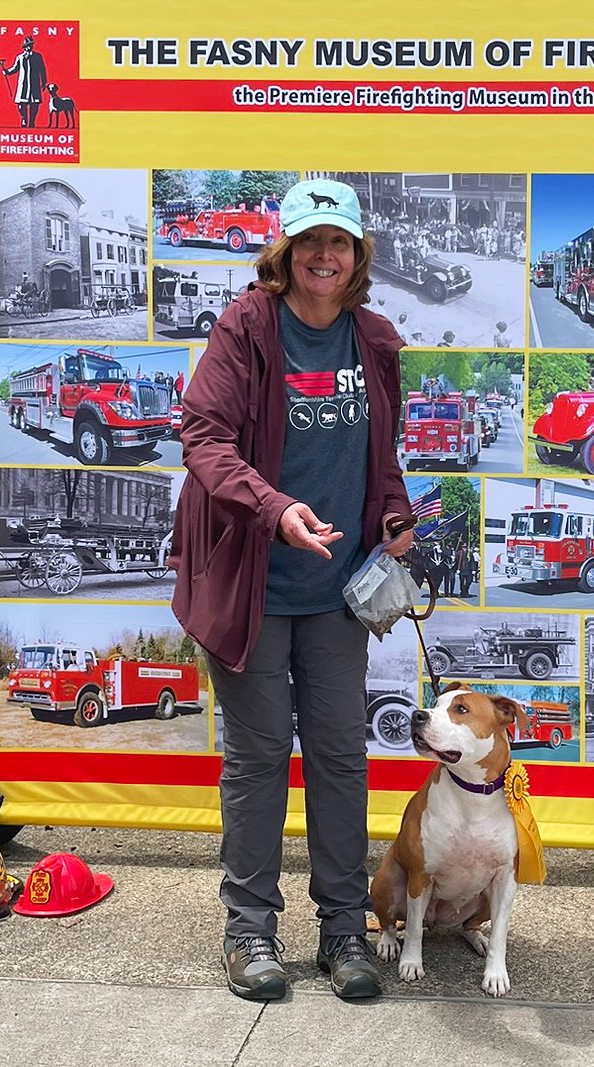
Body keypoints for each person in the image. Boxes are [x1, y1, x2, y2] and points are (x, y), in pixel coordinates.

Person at [170, 178, 414, 1003]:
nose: (322, 255)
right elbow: (202, 437)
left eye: (337, 242)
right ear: (283, 251)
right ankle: (250, 929)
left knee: (342, 755)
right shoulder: (246, 327)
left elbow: (384, 449)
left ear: (356, 256)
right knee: (260, 756)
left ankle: (344, 927)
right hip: (252, 579)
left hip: (338, 588)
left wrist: (393, 512)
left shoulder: (373, 338)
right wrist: (276, 510)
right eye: (308, 240)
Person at [0, 36, 47, 129]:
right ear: (24, 47)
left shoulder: (38, 56)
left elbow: (42, 69)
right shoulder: (20, 58)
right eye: (27, 45)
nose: (29, 47)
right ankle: (24, 119)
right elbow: (15, 68)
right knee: (21, 104)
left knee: (35, 104)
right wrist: (7, 71)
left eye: (31, 45)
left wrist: (44, 82)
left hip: (34, 84)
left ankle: (32, 121)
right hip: (23, 84)